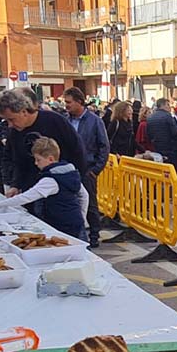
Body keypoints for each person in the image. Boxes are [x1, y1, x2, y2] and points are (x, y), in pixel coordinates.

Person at [0, 137, 89, 240]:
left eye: (38, 160)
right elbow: (84, 195)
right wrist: (81, 216)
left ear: (50, 159)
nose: (36, 163)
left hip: (61, 225)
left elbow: (26, 197)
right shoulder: (69, 172)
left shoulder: (50, 180)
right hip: (75, 223)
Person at [0, 88, 86, 200]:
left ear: (24, 111)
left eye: (12, 119)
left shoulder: (55, 121)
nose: (10, 125)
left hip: (61, 190)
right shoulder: (14, 133)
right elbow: (19, 163)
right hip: (32, 192)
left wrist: (75, 183)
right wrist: (16, 185)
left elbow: (77, 151)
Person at [63, 87, 108, 247]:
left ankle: (94, 235)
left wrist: (96, 170)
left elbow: (104, 146)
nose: (66, 105)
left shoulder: (95, 121)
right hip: (68, 169)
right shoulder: (65, 120)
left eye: (69, 102)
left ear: (79, 102)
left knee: (91, 204)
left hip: (87, 169)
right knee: (71, 202)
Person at [146, 97, 177, 163]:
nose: (169, 107)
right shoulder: (168, 116)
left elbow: (148, 134)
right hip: (169, 149)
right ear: (163, 105)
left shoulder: (150, 117)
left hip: (156, 148)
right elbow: (175, 133)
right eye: (168, 105)